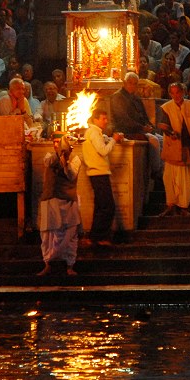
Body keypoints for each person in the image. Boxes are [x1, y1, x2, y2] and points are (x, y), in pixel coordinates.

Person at [38, 133, 81, 276]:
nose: (58, 145)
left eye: (60, 142)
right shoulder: (49, 156)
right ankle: (48, 263)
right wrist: (59, 156)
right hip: (50, 200)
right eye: (55, 142)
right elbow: (49, 163)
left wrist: (66, 161)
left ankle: (70, 265)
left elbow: (71, 175)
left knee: (70, 234)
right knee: (47, 234)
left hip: (68, 201)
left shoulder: (75, 159)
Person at [158, 82, 190, 216]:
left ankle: (183, 206)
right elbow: (162, 125)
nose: (176, 95)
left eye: (178, 92)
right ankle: (171, 204)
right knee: (169, 178)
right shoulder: (166, 107)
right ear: (170, 94)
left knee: (184, 178)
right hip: (172, 147)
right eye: (173, 93)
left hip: (187, 146)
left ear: (183, 92)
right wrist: (171, 133)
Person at [82, 108, 122, 247]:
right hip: (98, 173)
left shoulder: (94, 132)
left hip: (97, 173)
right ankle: (99, 237)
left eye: (106, 118)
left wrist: (111, 139)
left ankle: (94, 236)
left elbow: (102, 141)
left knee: (100, 206)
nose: (106, 121)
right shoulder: (94, 132)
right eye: (103, 119)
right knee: (107, 207)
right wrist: (114, 141)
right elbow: (103, 151)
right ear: (95, 120)